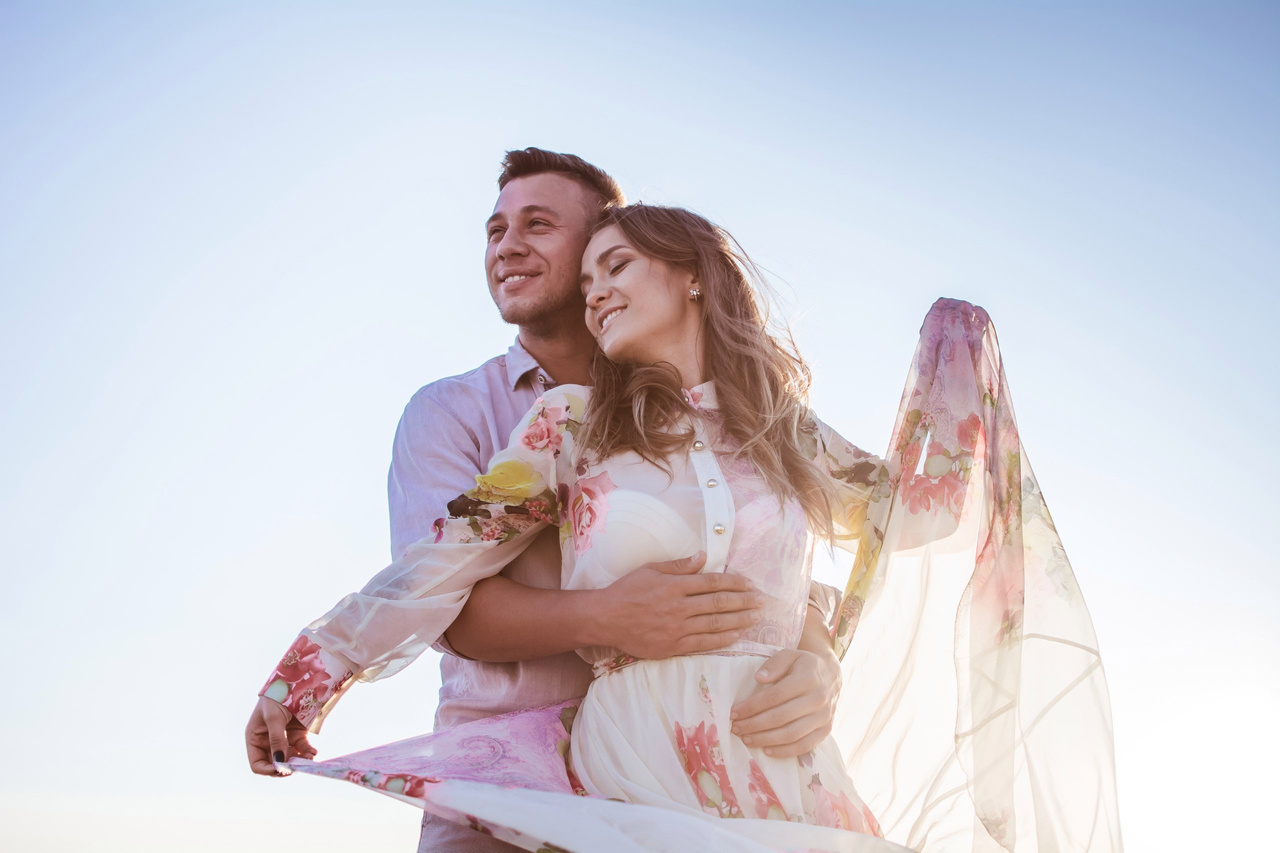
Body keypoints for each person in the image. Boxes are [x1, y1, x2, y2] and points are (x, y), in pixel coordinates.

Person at [264, 204, 1122, 851]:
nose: (595, 289)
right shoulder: (571, 423)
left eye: (617, 264)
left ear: (693, 275)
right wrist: (311, 673)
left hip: (786, 767)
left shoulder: (787, 432)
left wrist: (955, 371)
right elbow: (439, 563)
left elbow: (915, 517)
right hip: (635, 765)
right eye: (588, 276)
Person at [244, 149, 848, 853]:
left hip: (734, 782)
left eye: (539, 225)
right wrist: (308, 674)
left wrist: (817, 651)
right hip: (507, 791)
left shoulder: (765, 424)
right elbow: (443, 584)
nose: (508, 247)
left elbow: (812, 549)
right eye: (495, 230)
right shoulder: (505, 417)